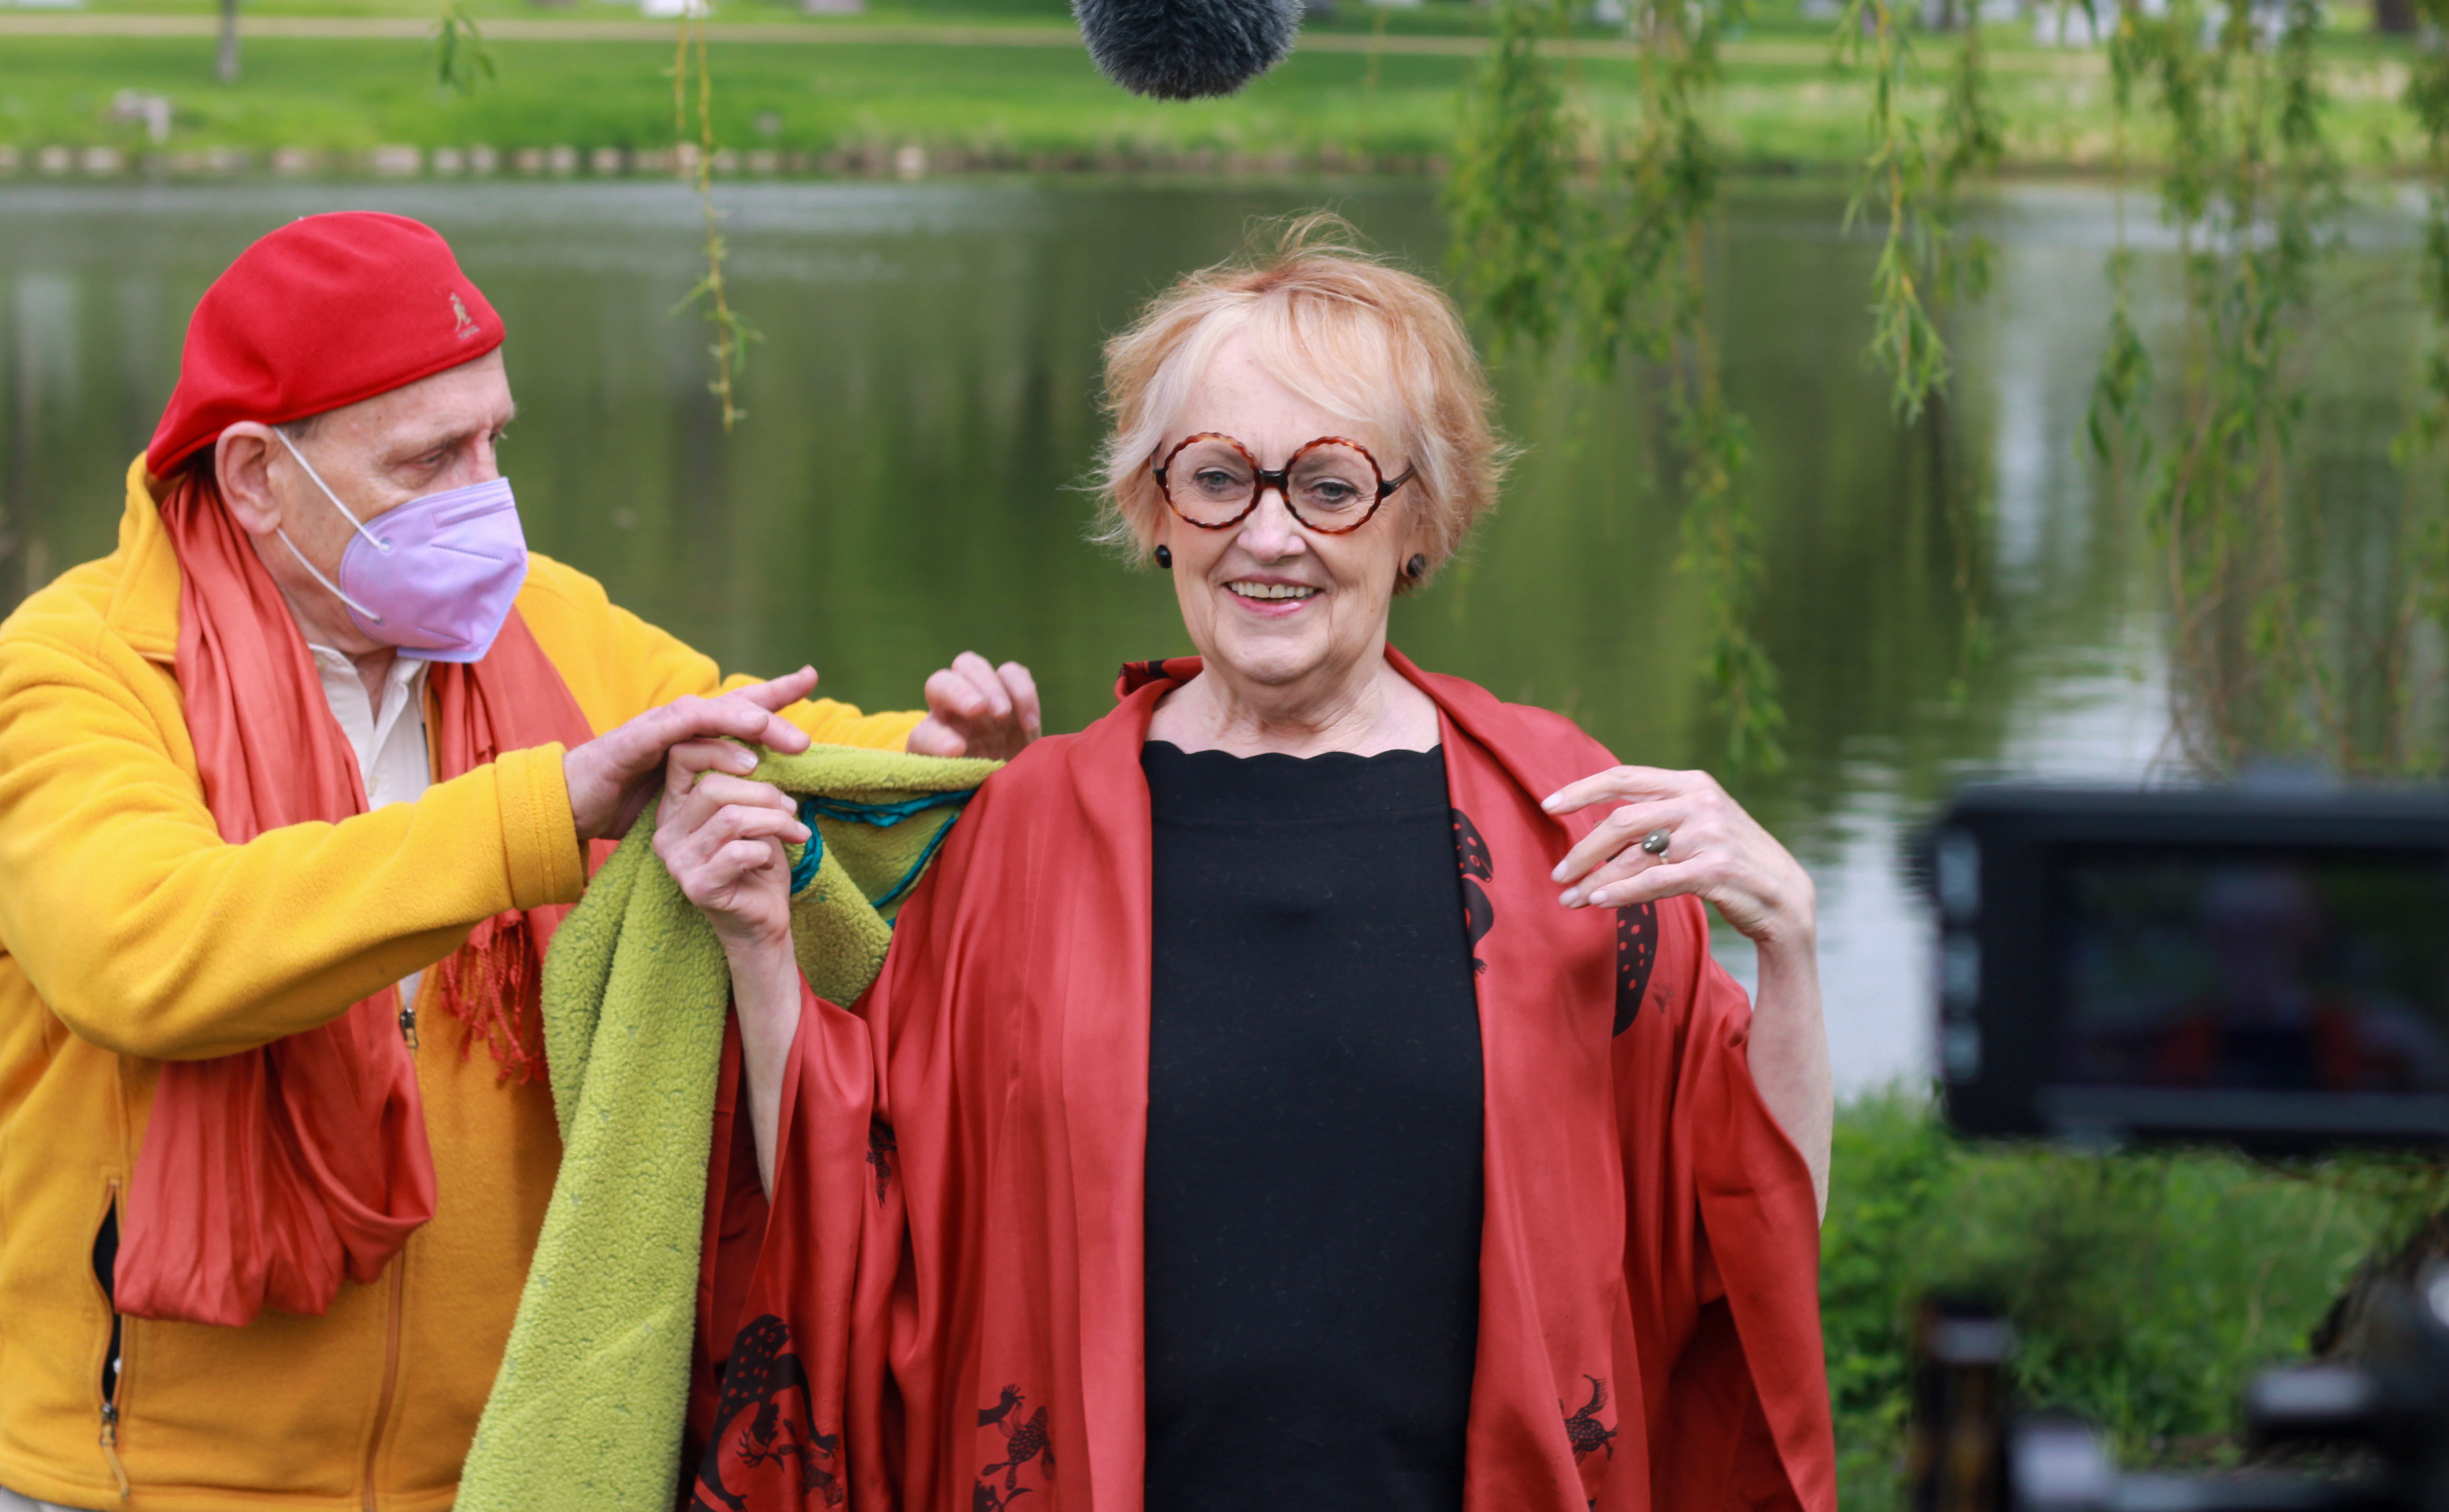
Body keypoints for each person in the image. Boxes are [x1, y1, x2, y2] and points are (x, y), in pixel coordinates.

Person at [658, 220, 1836, 1512]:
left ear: (1419, 520)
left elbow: (1751, 1231)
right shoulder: (1032, 831)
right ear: (1155, 509)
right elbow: (867, 1204)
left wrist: (1786, 945)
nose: (1268, 537)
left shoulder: (1561, 819)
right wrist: (759, 946)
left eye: (1330, 487)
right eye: (1217, 478)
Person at [0, 212, 1042, 1512]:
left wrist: (930, 757)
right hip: (140, 1482)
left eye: (494, 441)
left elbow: (769, 743)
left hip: (496, 1475)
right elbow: (145, 952)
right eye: (430, 457)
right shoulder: (76, 667)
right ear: (253, 475)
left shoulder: (544, 626)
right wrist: (545, 811)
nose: (485, 496)